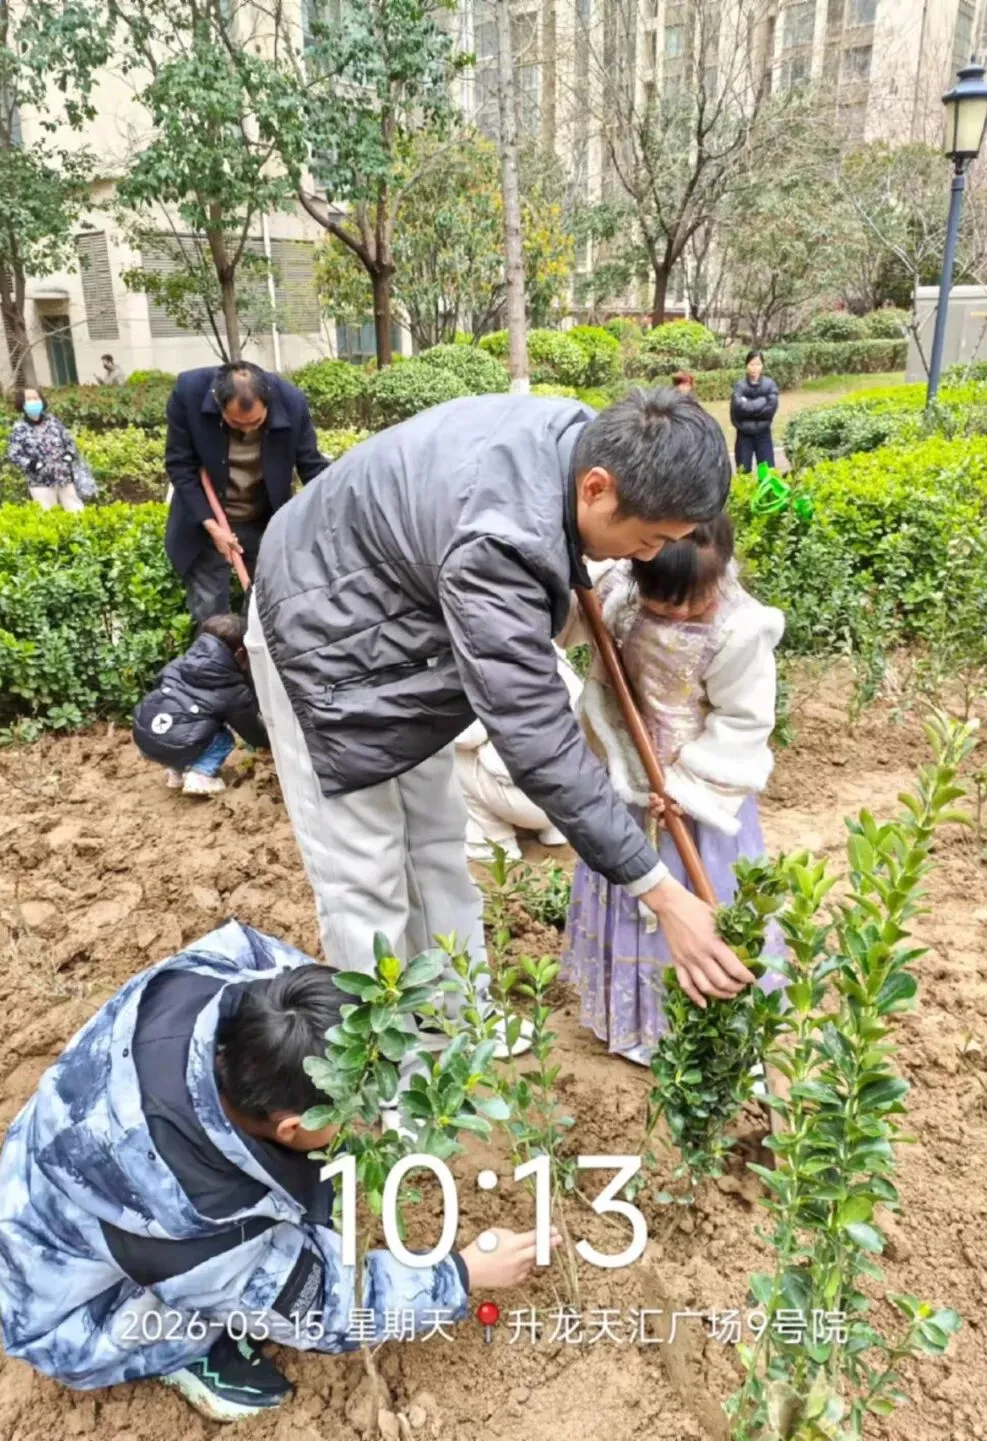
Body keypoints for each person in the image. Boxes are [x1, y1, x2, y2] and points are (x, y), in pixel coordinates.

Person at [246, 388, 755, 1020]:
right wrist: (662, 895)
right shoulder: (500, 543)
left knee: (435, 847)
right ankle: (385, 1066)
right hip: (318, 639)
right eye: (650, 539)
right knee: (366, 877)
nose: (648, 557)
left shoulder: (579, 439)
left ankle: (460, 1032)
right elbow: (538, 739)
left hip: (400, 630)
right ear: (598, 488)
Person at [0, 921, 552, 1421]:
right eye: (352, 1109)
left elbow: (301, 985)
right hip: (76, 1315)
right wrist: (460, 1274)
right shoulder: (198, 1218)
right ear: (292, 1127)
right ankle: (188, 1357)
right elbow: (322, 1308)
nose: (366, 1117)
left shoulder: (231, 980)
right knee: (245, 1304)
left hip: (60, 1165)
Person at [561, 513, 785, 1064]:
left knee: (700, 906)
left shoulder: (738, 630)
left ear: (721, 572)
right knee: (632, 892)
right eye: (662, 603)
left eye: (692, 601)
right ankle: (636, 1023)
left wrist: (687, 786)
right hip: (628, 780)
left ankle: (708, 1025)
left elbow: (743, 722)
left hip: (695, 802)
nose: (679, 613)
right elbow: (570, 622)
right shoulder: (619, 592)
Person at [165, 360, 328, 625]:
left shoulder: (291, 402)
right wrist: (212, 527)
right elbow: (179, 465)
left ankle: (253, 651)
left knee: (268, 607)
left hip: (262, 518)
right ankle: (215, 650)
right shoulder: (190, 393)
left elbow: (311, 465)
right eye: (236, 424)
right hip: (207, 521)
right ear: (219, 404)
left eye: (256, 422)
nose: (248, 430)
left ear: (268, 403)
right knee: (211, 614)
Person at [455, 644, 582, 861]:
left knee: (451, 750)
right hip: (581, 799)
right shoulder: (548, 650)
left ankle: (493, 841)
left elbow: (466, 737)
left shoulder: (489, 662)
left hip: (534, 802)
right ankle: (553, 830)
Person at [133, 612, 268, 797]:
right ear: (240, 653)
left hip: (145, 735)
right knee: (224, 738)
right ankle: (200, 776)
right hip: (178, 742)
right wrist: (265, 743)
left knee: (185, 722)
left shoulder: (177, 664)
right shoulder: (231, 688)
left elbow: (160, 690)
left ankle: (175, 772)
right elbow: (249, 727)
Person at [6, 387, 85, 512]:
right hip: (40, 480)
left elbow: (69, 440)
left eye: (36, 398)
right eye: (29, 399)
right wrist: (32, 464)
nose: (34, 401)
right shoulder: (19, 428)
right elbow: (14, 454)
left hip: (63, 475)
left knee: (76, 510)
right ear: (23, 404)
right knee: (47, 513)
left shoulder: (53, 421)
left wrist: (69, 454)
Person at [729, 349, 779, 473]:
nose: (754, 368)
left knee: (767, 473)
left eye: (758, 364)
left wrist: (748, 406)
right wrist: (762, 401)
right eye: (751, 364)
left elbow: (769, 411)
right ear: (746, 365)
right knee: (743, 473)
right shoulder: (739, 386)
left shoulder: (770, 385)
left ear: (762, 366)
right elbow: (737, 410)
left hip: (763, 434)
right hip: (744, 435)